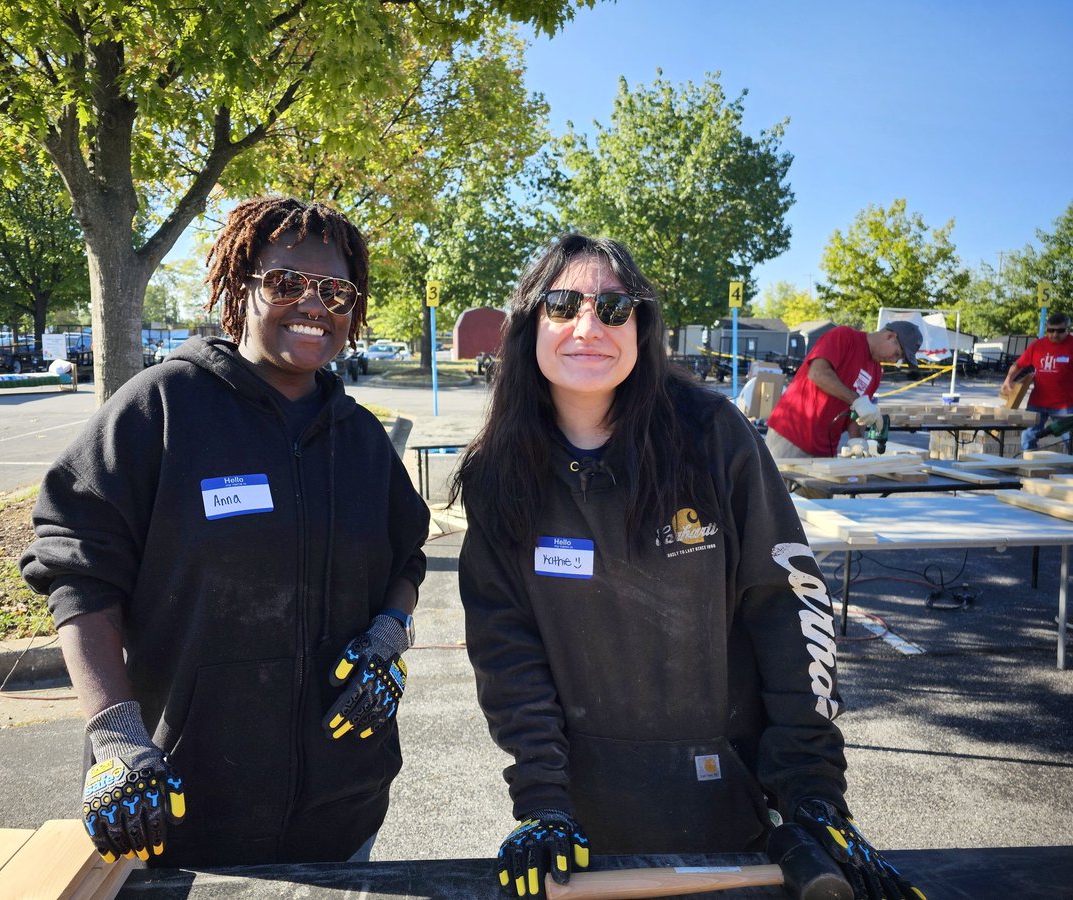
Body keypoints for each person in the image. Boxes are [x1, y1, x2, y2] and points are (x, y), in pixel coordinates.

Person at [451, 234, 921, 899]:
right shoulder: (501, 474)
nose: (588, 326)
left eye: (614, 307)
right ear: (530, 325)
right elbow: (507, 650)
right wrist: (542, 800)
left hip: (735, 805)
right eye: (562, 305)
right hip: (582, 817)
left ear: (642, 326)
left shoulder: (713, 435)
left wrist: (811, 789)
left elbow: (788, 603)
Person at [20, 196, 431, 868]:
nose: (313, 303)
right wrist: (116, 733)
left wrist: (388, 637)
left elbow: (405, 558)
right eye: (285, 282)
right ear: (240, 290)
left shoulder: (359, 438)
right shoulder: (161, 409)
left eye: (335, 290)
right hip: (181, 815)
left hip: (344, 813)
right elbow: (77, 569)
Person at [765, 320, 922, 460]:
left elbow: (859, 412)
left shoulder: (875, 371)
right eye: (897, 354)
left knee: (819, 493)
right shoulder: (844, 336)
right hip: (792, 435)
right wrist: (856, 400)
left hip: (826, 449)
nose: (894, 361)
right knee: (779, 492)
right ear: (890, 336)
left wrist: (857, 440)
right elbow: (818, 373)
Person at [1001, 311, 1073, 452]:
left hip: (1065, 404)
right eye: (1051, 330)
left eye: (1060, 331)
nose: (1054, 334)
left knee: (1070, 439)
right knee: (1028, 436)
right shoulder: (1038, 345)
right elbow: (1019, 365)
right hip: (1037, 402)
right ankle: (1029, 464)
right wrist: (1008, 379)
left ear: (1068, 330)